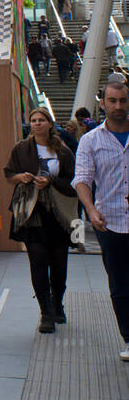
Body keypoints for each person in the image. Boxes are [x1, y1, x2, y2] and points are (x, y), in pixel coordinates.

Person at [6, 107, 78, 333]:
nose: (37, 124)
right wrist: (22, 177)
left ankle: (57, 303)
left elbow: (74, 181)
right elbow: (9, 174)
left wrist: (51, 181)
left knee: (59, 264)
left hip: (58, 214)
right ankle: (45, 312)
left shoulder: (63, 151)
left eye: (41, 120)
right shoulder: (21, 149)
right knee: (38, 262)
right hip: (31, 212)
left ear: (49, 123)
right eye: (33, 120)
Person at [72, 77, 129, 362]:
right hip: (111, 223)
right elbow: (82, 180)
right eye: (113, 101)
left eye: (123, 100)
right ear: (103, 103)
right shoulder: (90, 141)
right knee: (120, 284)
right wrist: (91, 210)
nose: (118, 106)